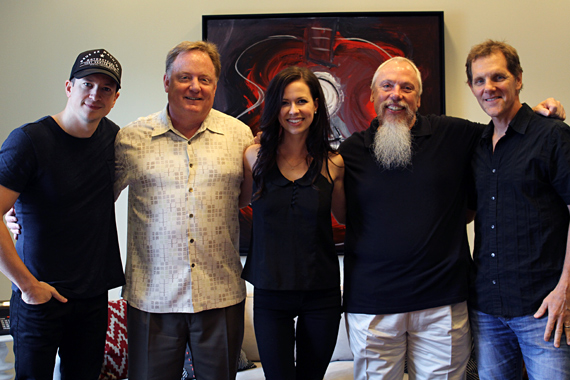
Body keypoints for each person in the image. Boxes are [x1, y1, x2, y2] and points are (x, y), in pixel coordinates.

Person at [338, 56, 564, 380]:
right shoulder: (350, 151)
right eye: (386, 86)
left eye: (407, 87)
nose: (396, 95)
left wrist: (544, 114)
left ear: (419, 97)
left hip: (442, 303)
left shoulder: (455, 134)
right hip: (372, 305)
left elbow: (507, 127)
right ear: (372, 95)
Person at [113, 41, 253, 380]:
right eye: (184, 77)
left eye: (204, 79)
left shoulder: (240, 136)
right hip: (151, 298)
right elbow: (91, 202)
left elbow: (246, 198)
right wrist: (23, 216)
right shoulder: (132, 138)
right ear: (166, 82)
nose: (195, 87)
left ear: (216, 85)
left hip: (219, 295)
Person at [0, 49, 125, 379]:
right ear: (69, 87)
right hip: (39, 297)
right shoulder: (29, 141)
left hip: (93, 299)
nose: (95, 94)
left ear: (115, 98)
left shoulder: (116, 140)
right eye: (87, 84)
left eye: (106, 88)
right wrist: (28, 287)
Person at [466, 40, 570, 379]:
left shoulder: (553, 136)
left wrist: (565, 289)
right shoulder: (477, 145)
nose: (489, 88)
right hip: (487, 310)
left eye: (498, 77)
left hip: (543, 309)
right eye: (479, 80)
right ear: (471, 87)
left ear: (519, 79)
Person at [241, 66, 345, 380]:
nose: (293, 110)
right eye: (285, 103)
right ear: (275, 108)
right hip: (271, 294)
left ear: (316, 105)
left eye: (301, 101)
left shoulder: (334, 163)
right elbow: (235, 202)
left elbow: (348, 219)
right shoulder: (253, 158)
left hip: (322, 293)